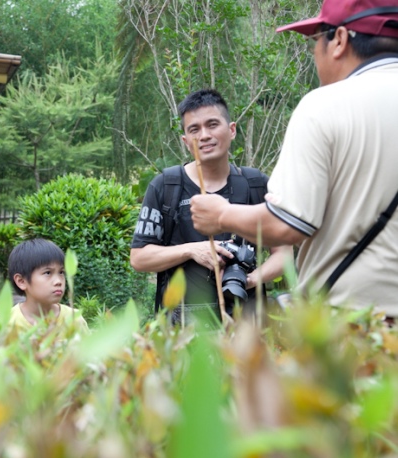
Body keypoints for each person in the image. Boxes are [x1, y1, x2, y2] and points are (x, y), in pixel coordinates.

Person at [189, 0, 398, 319]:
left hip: (355, 323)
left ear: (340, 40)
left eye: (316, 40)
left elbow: (287, 224)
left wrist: (221, 214)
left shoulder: (325, 105)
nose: (314, 52)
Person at [130, 89, 289, 324]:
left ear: (232, 130)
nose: (204, 135)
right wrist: (193, 250)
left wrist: (250, 280)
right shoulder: (166, 186)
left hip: (247, 324)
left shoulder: (256, 184)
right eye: (194, 129)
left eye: (212, 124)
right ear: (186, 141)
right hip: (183, 329)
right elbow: (139, 258)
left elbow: (284, 254)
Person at [0, 238, 88, 340]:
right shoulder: (3, 322)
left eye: (61, 272)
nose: (58, 281)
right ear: (21, 281)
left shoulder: (74, 319)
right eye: (48, 273)